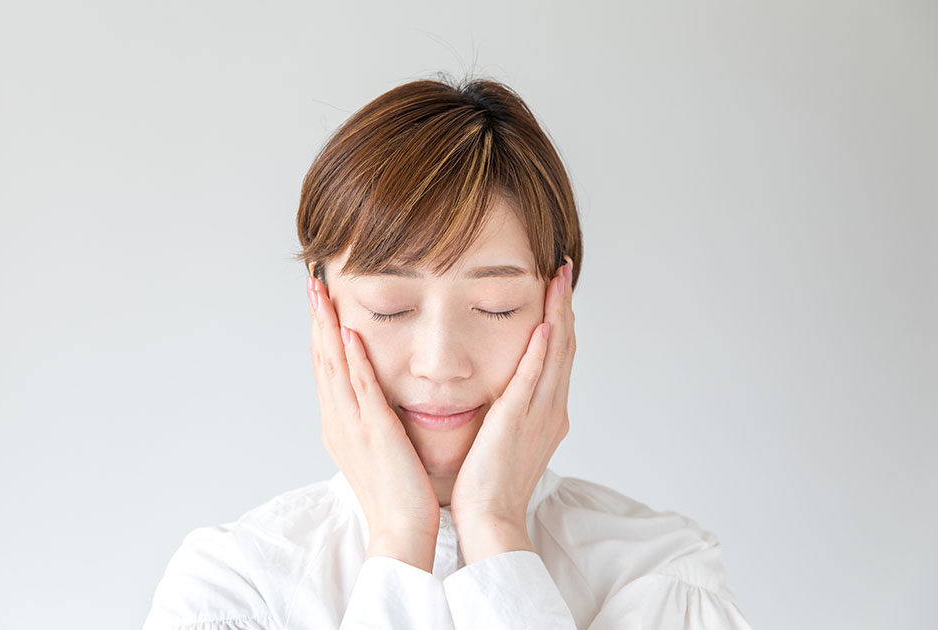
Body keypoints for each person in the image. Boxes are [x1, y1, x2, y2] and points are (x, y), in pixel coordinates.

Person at [143, 75, 753, 629]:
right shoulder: (235, 586)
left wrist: (495, 527)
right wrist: (400, 536)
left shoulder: (661, 576)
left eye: (495, 307)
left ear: (558, 309)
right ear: (322, 308)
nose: (439, 363)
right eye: (389, 306)